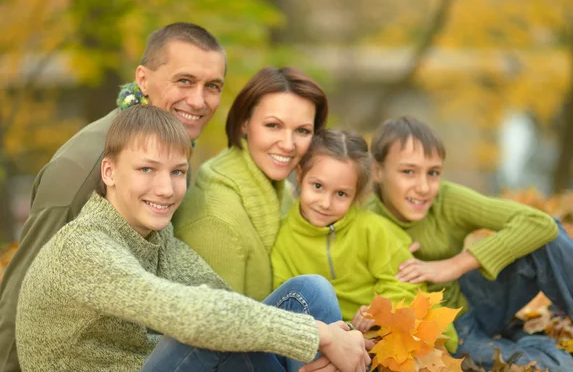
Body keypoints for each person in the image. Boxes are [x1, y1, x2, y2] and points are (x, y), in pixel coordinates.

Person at [15, 105, 371, 372]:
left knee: (309, 291)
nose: (166, 189)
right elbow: (194, 313)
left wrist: (343, 336)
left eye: (178, 172)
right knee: (208, 328)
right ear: (109, 171)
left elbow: (223, 300)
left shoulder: (156, 235)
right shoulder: (85, 247)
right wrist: (322, 336)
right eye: (146, 169)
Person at [0, 22, 227, 371]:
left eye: (212, 86)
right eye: (184, 81)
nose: (198, 100)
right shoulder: (80, 168)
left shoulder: (173, 152)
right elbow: (22, 297)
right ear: (143, 79)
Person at [366, 116, 573, 371]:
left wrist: (456, 264)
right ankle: (531, 344)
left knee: (545, 239)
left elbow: (541, 223)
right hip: (448, 334)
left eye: (433, 173)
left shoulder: (446, 199)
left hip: (476, 299)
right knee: (556, 368)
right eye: (408, 171)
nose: (423, 187)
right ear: (377, 171)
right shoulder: (365, 224)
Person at [270, 129, 458, 352]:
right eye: (318, 186)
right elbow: (289, 300)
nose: (325, 202)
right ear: (300, 175)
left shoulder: (374, 230)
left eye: (341, 194)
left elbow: (405, 286)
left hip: (386, 337)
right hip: (327, 339)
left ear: (356, 194)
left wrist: (378, 310)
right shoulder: (283, 238)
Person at [173, 66, 328, 302]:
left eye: (302, 131)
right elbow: (220, 330)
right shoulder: (216, 220)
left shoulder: (284, 191)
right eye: (273, 125)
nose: (288, 144)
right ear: (245, 122)